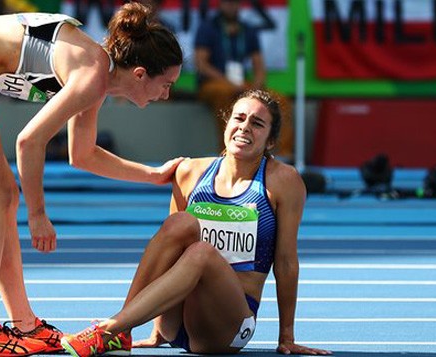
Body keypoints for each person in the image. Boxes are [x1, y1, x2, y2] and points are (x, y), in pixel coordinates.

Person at [0, 3, 184, 356]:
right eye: (166, 84)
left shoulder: (97, 76)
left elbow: (82, 154)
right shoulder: (92, 75)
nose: (166, 95)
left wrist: (153, 175)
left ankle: (25, 324)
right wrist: (38, 215)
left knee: (1, 194)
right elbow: (29, 140)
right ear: (140, 74)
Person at [60, 89, 331, 356]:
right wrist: (157, 332)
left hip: (227, 328)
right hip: (174, 321)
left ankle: (110, 329)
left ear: (270, 142)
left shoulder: (283, 181)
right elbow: (167, 252)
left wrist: (287, 337)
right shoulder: (190, 171)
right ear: (227, 124)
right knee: (180, 224)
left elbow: (285, 262)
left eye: (257, 123)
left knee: (201, 253)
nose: (244, 127)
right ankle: (122, 332)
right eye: (239, 118)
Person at [194, 0, 293, 160]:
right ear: (220, 4)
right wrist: (228, 82)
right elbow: (201, 64)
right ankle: (228, 152)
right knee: (226, 95)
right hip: (214, 84)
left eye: (235, 3)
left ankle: (284, 156)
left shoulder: (247, 29)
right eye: (228, 3)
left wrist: (256, 88)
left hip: (241, 84)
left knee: (280, 100)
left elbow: (259, 66)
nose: (231, 6)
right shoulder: (208, 27)